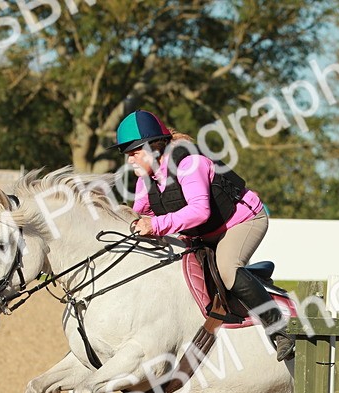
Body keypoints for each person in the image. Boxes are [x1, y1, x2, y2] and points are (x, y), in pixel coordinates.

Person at [114, 109, 294, 361]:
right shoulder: (146, 177)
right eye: (127, 154)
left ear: (154, 147)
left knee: (228, 269)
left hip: (242, 222)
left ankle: (279, 329)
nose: (130, 160)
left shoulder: (190, 164)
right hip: (205, 231)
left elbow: (199, 211)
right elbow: (140, 213)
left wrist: (154, 225)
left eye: (134, 152)